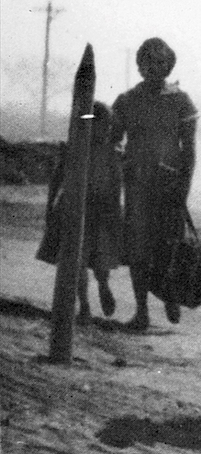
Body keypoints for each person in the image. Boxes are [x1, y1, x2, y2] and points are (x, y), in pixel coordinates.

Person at [111, 38, 198, 331]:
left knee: (168, 245)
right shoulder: (125, 101)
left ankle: (170, 295)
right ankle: (141, 312)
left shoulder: (181, 101)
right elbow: (112, 139)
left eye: (161, 62)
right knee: (138, 249)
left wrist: (183, 187)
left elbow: (190, 149)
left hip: (170, 186)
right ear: (139, 66)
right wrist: (122, 160)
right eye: (148, 62)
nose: (154, 68)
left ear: (169, 65)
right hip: (137, 185)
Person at [36, 101, 122, 322]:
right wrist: (50, 206)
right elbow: (57, 178)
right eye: (99, 126)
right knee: (77, 261)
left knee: (101, 260)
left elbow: (115, 184)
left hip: (101, 211)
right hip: (74, 207)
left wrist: (115, 214)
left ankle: (103, 285)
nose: (104, 131)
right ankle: (84, 305)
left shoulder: (112, 152)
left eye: (107, 126)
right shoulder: (75, 148)